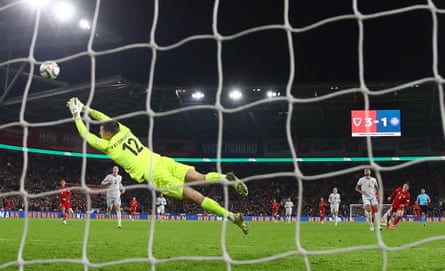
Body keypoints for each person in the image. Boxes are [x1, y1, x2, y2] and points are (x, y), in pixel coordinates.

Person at [66, 97, 249, 234]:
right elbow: (107, 119)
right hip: (160, 160)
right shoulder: (124, 130)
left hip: (154, 173)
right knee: (200, 178)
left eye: (100, 130)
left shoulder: (108, 147)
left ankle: (232, 216)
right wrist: (86, 108)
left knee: (194, 196)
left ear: (106, 134)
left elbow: (85, 135)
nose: (99, 130)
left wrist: (76, 115)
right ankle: (226, 178)